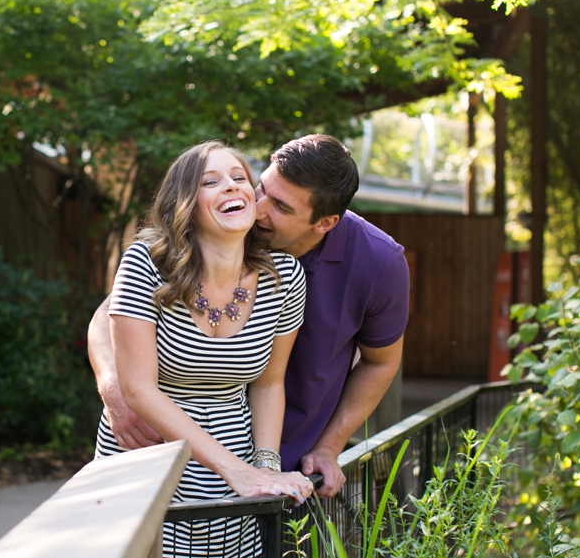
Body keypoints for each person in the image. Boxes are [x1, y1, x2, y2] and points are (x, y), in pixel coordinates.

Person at [91, 134, 410, 500]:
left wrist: (327, 447)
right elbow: (112, 313)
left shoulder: (375, 263)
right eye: (261, 187)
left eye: (281, 207)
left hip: (288, 458)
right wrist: (117, 388)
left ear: (324, 222)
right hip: (163, 451)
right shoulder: (224, 229)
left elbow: (380, 364)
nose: (258, 208)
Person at [94, 141, 314, 558]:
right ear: (184, 205)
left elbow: (270, 381)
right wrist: (235, 471)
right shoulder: (146, 264)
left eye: (239, 177)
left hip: (227, 474)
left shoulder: (286, 278)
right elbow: (138, 390)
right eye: (209, 181)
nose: (231, 186)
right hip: (151, 460)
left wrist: (264, 466)